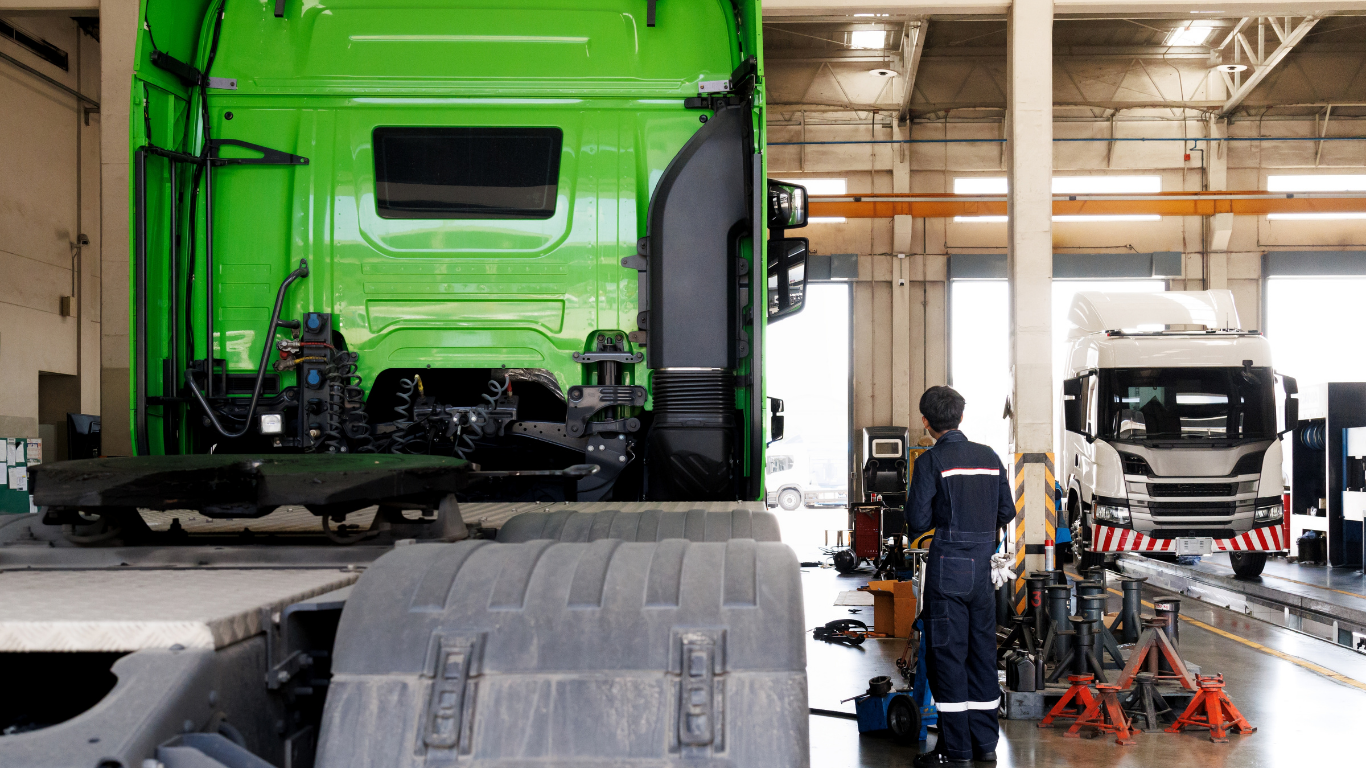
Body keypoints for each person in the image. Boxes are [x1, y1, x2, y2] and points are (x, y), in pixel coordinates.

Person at [907, 386, 1015, 766]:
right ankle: (985, 745)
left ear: (926, 421)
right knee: (983, 655)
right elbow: (1007, 510)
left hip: (948, 570)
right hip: (985, 572)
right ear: (961, 417)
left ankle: (956, 752)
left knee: (948, 658)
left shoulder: (930, 461)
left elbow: (917, 521)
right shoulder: (988, 457)